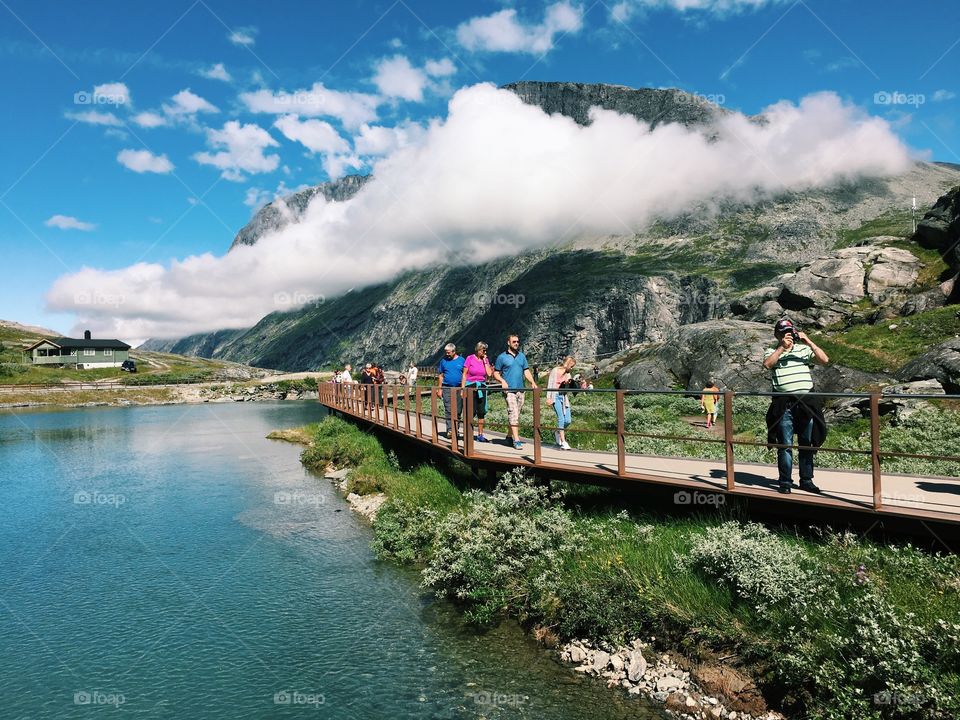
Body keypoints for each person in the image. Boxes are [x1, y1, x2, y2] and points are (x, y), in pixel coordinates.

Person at [762, 318, 830, 495]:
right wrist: (781, 348)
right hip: (784, 404)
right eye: (783, 332)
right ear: (777, 334)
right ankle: (785, 481)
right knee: (785, 444)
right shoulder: (771, 351)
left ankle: (806, 480)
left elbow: (824, 359)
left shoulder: (803, 349)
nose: (787, 335)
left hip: (806, 402)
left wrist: (808, 341)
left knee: (806, 443)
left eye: (790, 332)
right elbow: (767, 364)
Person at [492, 334, 538, 450]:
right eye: (514, 342)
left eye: (517, 341)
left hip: (521, 390)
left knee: (517, 414)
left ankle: (508, 436)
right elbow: (496, 373)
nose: (516, 343)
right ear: (508, 342)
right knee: (513, 413)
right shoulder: (502, 357)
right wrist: (502, 381)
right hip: (509, 391)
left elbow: (526, 371)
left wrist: (532, 382)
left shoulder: (522, 356)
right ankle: (516, 440)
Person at [461, 341, 494, 442]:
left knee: (481, 411)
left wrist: (485, 361)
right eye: (483, 350)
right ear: (478, 349)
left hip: (482, 386)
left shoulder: (486, 360)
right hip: (470, 386)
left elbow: (489, 373)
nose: (484, 352)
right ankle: (468, 433)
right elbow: (464, 374)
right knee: (471, 411)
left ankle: (480, 434)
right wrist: (462, 389)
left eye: (485, 350)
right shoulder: (470, 358)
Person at [436, 343, 466, 439]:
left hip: (458, 388)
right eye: (446, 352)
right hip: (446, 388)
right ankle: (450, 430)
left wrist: (463, 388)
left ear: (454, 351)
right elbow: (441, 376)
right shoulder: (443, 361)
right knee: (448, 409)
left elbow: (465, 375)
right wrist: (439, 389)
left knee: (458, 410)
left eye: (448, 352)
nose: (447, 354)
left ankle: (455, 429)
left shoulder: (462, 360)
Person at [547, 356, 576, 450]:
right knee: (561, 418)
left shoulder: (568, 375)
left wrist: (569, 384)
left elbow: (568, 388)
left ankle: (558, 431)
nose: (571, 368)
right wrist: (548, 398)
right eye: (571, 366)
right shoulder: (555, 370)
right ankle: (563, 442)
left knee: (568, 420)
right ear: (567, 363)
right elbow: (550, 383)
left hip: (564, 397)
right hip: (555, 396)